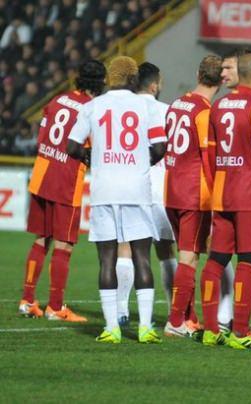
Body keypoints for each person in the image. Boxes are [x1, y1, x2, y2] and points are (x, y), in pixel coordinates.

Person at [67, 56, 167, 344]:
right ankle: (145, 328)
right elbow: (160, 147)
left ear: (110, 78)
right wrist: (140, 163)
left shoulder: (92, 106)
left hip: (104, 191)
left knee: (107, 259)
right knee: (142, 257)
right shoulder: (147, 106)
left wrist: (91, 157)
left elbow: (72, 146)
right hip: (136, 190)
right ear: (133, 78)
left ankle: (111, 328)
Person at [201, 52, 251, 350]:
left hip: (222, 193)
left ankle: (211, 329)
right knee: (249, 261)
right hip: (250, 195)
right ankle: (240, 332)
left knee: (216, 260)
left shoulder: (218, 105)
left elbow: (210, 155)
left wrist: (216, 186)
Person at [18, 59, 105, 322]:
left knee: (41, 239)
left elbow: (41, 138)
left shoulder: (58, 100)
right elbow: (90, 149)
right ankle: (55, 307)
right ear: (100, 83)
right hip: (66, 180)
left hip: (42, 174)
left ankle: (27, 300)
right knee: (64, 245)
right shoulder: (91, 108)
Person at [162, 54, 223, 339]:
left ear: (198, 74)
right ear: (221, 80)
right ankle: (175, 321)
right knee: (189, 258)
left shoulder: (176, 104)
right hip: (194, 193)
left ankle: (189, 318)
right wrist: (218, 193)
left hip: (171, 188)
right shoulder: (206, 112)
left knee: (184, 255)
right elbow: (208, 159)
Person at [114, 62, 179, 327]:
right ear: (154, 85)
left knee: (126, 247)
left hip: (128, 184)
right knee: (166, 251)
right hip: (161, 187)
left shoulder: (121, 110)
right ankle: (175, 314)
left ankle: (121, 311)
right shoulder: (167, 111)